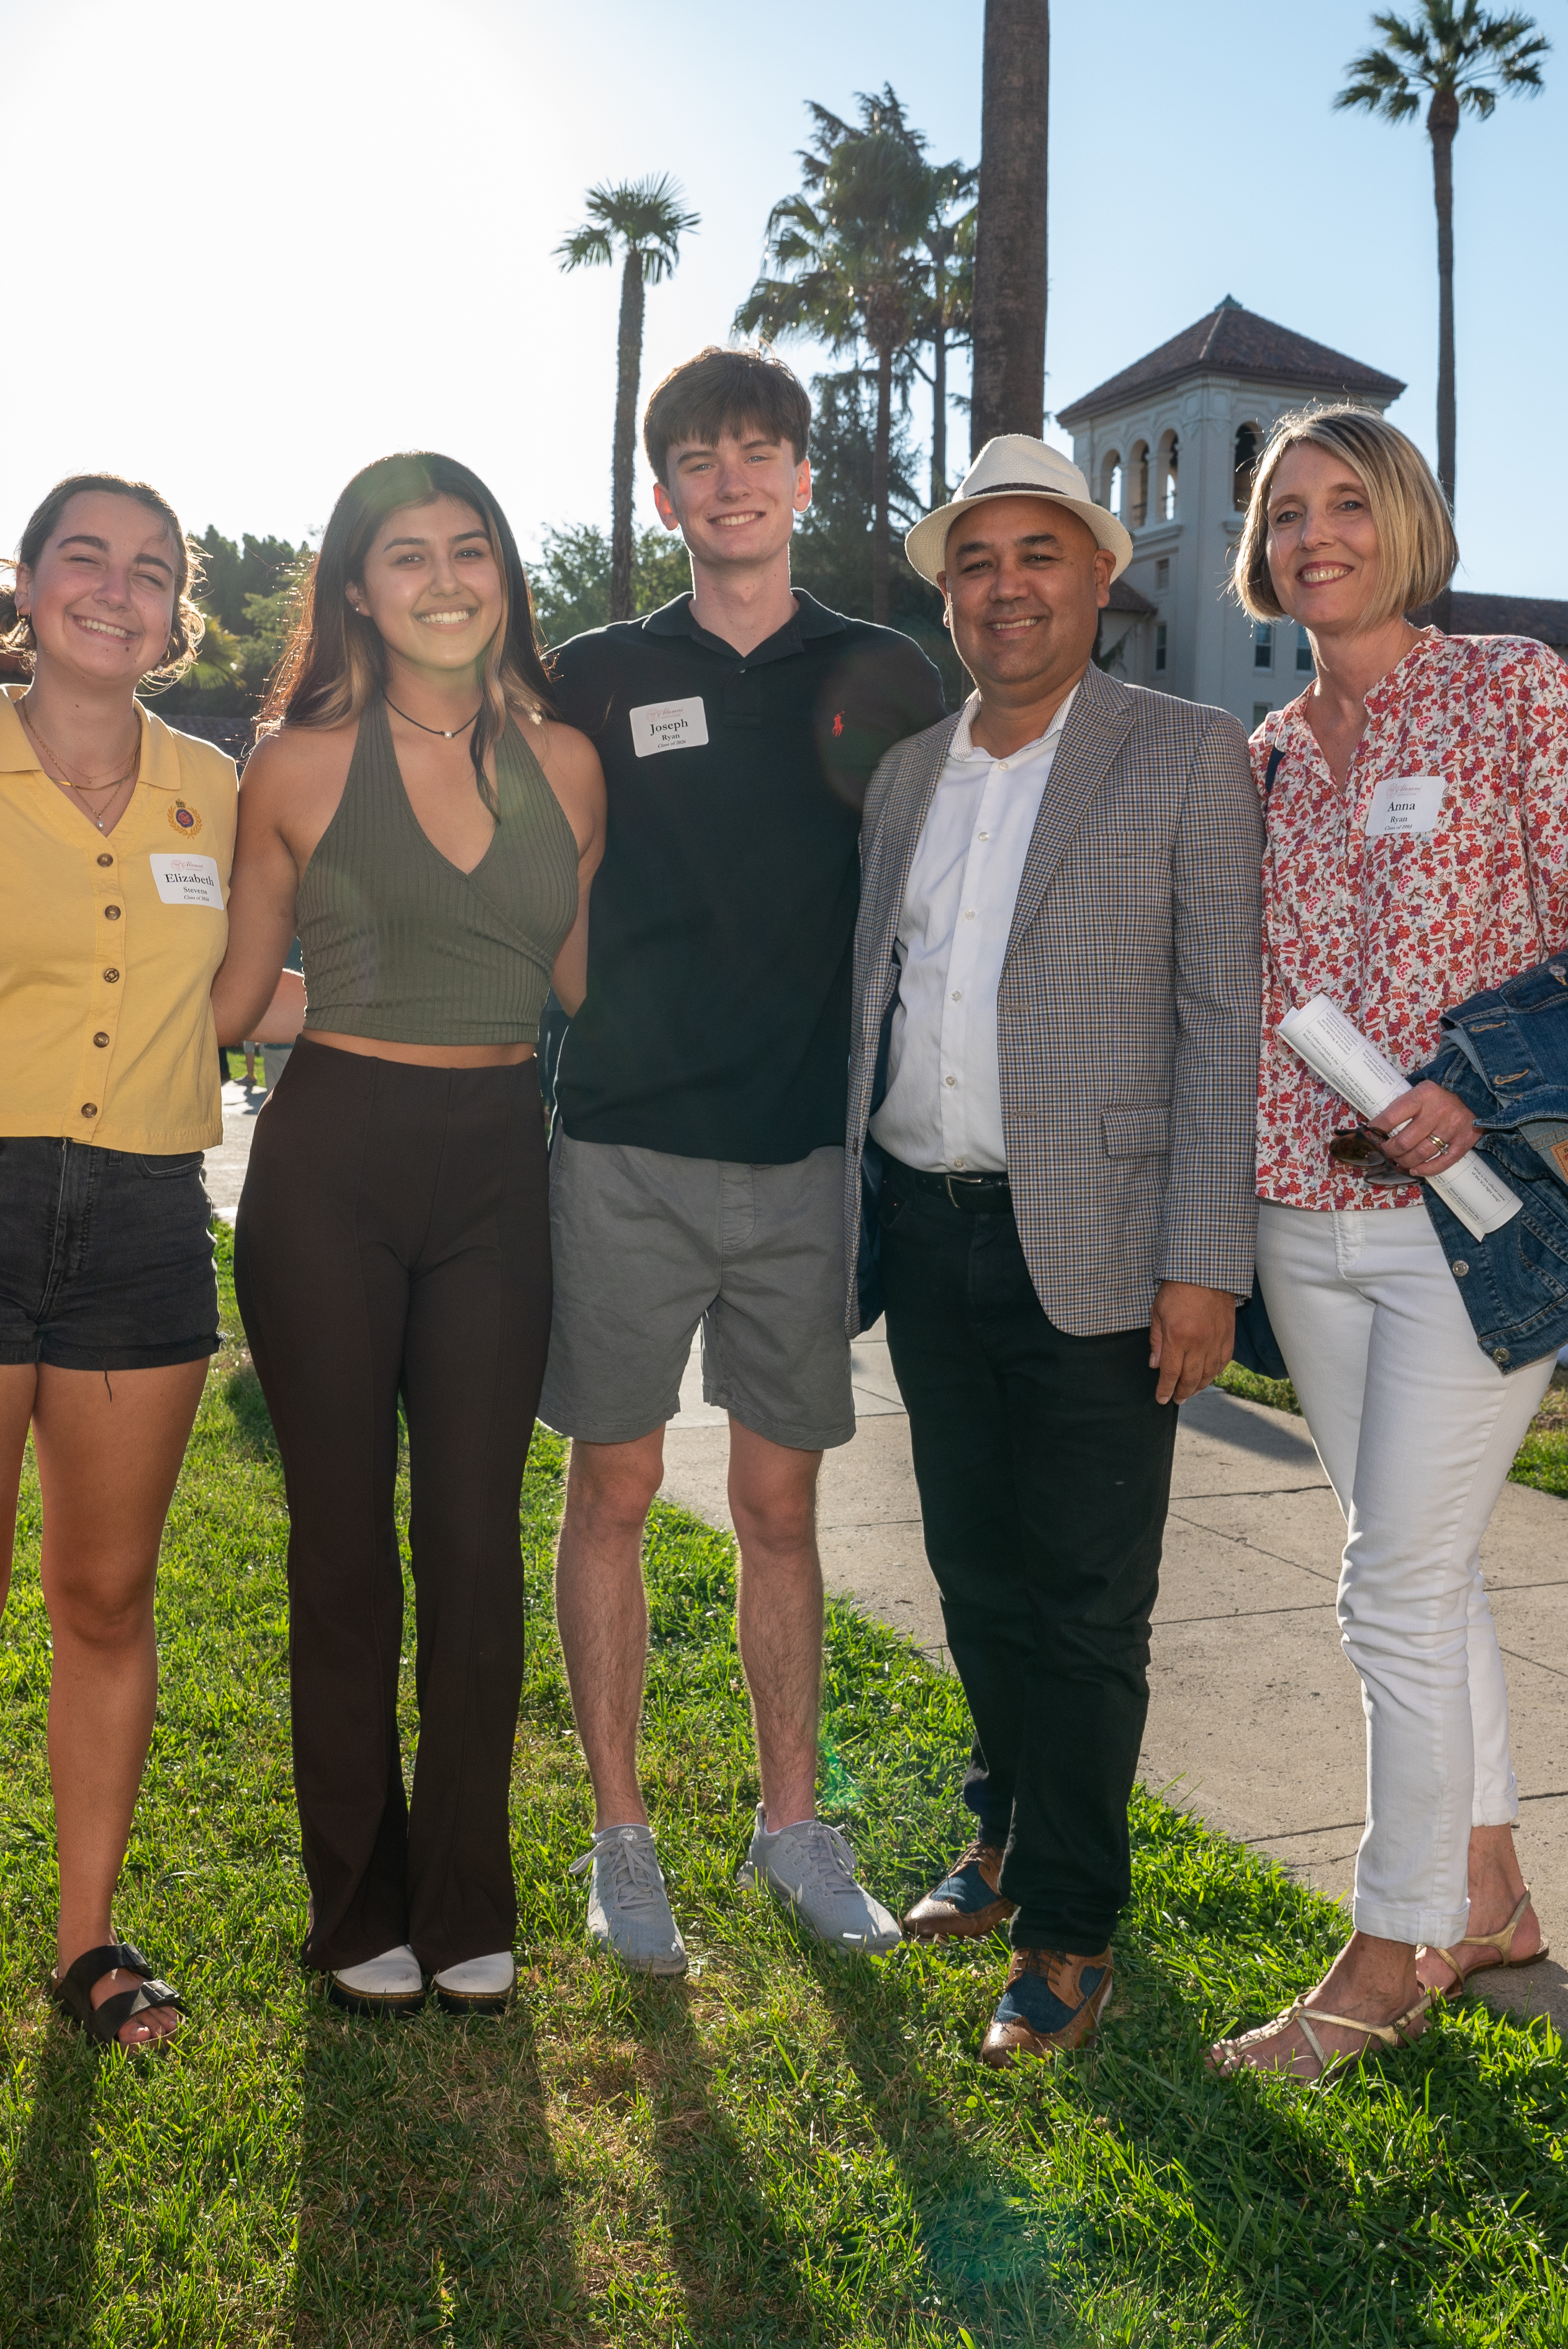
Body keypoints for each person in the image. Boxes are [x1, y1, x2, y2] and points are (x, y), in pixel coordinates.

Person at [1208, 406, 1568, 2082]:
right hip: (1303, 1213)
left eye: (1345, 504)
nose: (1313, 536)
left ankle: (1392, 1941)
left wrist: (1487, 1095)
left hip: (1474, 1222)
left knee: (1391, 1585)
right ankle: (1487, 1892)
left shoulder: (1508, 689)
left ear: (1404, 522)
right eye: (1285, 512)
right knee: (1420, 1569)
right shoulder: (1262, 755)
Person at [0, 474, 291, 2073]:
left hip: (145, 1224)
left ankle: (88, 1936)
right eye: (84, 558)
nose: (117, 588)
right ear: (25, 587)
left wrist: (452, 997)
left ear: (182, 613)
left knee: (107, 1598)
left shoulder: (218, 784)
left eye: (152, 570)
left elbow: (260, 980)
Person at [833, 434, 1261, 2065]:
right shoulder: (903, 777)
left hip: (1094, 1250)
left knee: (1087, 1606)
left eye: (1037, 555)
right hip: (927, 1239)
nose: (1003, 588)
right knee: (973, 1572)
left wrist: (1201, 1260)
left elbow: (1224, 1018)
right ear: (949, 592)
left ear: (1099, 575)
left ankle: (1074, 1930)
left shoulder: (1183, 751)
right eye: (974, 562)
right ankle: (1003, 1828)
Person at [536, 347, 946, 1975]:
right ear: (662, 495)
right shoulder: (596, 671)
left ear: (799, 478)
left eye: (756, 452)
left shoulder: (887, 671)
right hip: (623, 1145)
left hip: (799, 1159)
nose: (729, 481)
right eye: (696, 460)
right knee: (616, 1485)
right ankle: (620, 1839)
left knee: (780, 1504)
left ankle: (792, 1825)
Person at [220, 452, 605, 2018]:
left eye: (469, 548)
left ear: (504, 573)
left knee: (471, 1537)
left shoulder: (574, 764)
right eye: (404, 554)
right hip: (328, 1168)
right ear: (356, 587)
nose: (443, 577)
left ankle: (465, 1893)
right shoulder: (298, 765)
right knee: (340, 1547)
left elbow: (575, 985)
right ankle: (354, 1897)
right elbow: (238, 998)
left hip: (498, 1171)